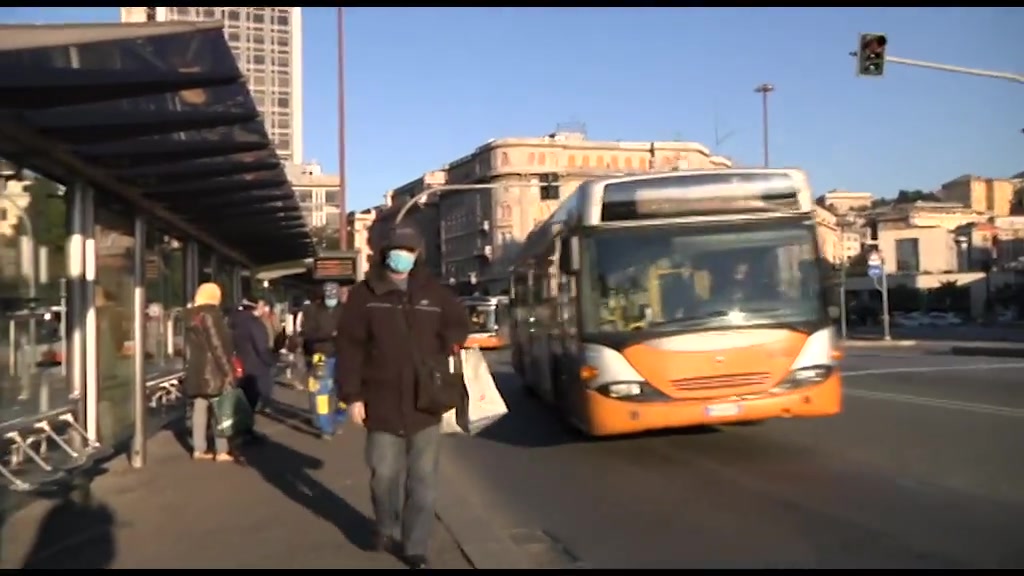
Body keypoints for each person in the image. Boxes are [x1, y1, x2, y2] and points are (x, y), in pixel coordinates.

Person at [335, 225, 469, 569]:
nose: (402, 256)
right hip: (379, 403)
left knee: (423, 481)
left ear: (417, 254)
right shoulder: (366, 295)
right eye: (397, 249)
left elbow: (458, 323)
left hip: (426, 402)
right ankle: (386, 525)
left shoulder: (434, 293)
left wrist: (446, 345)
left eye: (409, 250)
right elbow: (349, 348)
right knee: (384, 476)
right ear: (385, 253)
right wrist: (352, 396)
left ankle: (415, 546)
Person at [182, 282, 238, 463]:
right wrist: (227, 370)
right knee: (220, 409)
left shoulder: (190, 316)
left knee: (199, 408)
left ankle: (199, 449)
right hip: (212, 369)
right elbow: (217, 345)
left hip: (196, 369)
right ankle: (221, 450)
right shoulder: (211, 314)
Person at [301, 282, 345, 438]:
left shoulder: (346, 310)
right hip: (321, 355)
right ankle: (326, 427)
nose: (331, 297)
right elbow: (307, 333)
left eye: (334, 295)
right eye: (328, 295)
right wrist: (330, 334)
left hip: (343, 355)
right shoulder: (313, 310)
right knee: (322, 393)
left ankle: (338, 418)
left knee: (344, 392)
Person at [231, 297, 278, 415]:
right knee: (253, 398)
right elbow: (261, 347)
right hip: (256, 366)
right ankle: (247, 427)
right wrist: (271, 360)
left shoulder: (234, 321)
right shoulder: (254, 323)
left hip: (240, 363)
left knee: (243, 398)